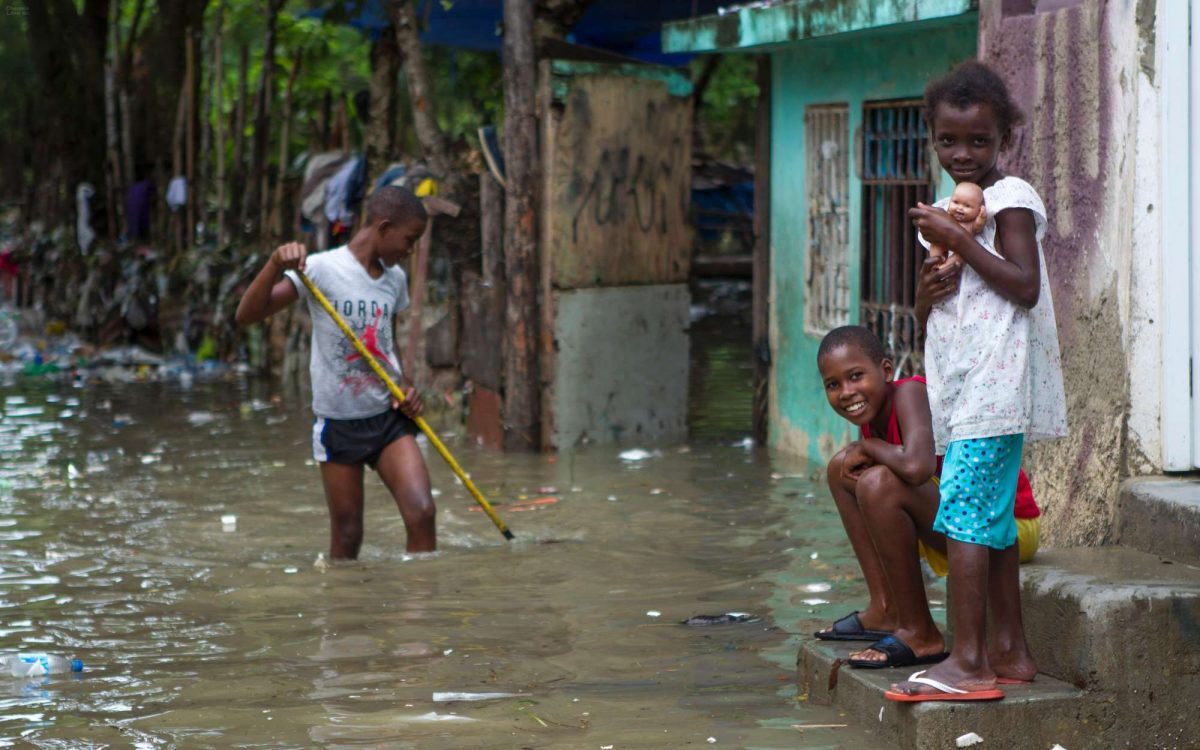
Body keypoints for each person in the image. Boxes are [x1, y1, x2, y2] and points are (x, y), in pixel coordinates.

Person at [886, 60, 1067, 703]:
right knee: (985, 521)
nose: (963, 155)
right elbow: (940, 311)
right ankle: (1011, 653)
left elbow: (1022, 287)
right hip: (963, 389)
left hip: (999, 385)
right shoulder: (942, 213)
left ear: (1004, 141)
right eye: (949, 141)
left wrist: (954, 241)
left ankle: (968, 664)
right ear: (932, 138)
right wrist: (926, 293)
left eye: (980, 141)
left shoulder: (1011, 198)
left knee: (963, 514)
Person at [814, 326, 1042, 675]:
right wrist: (864, 448)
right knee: (839, 470)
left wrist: (869, 448)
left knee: (877, 482)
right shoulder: (871, 418)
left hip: (1005, 527)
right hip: (953, 522)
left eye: (856, 376)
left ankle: (921, 633)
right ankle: (885, 608)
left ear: (887, 371)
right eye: (833, 385)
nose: (847, 392)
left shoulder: (910, 393)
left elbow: (916, 466)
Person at [235, 186, 436, 560]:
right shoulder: (321, 268)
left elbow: (384, 346)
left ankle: (422, 610)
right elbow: (247, 315)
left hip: (387, 419)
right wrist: (275, 263)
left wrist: (405, 387)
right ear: (384, 226)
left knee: (422, 513)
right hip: (340, 424)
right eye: (409, 240)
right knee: (347, 536)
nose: (410, 251)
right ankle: (345, 615)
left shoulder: (394, 280)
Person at [925, 181, 986, 269]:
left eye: (967, 206)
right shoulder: (948, 216)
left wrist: (981, 218)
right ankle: (936, 261)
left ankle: (946, 267)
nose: (959, 208)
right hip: (944, 241)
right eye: (956, 202)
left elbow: (978, 228)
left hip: (962, 246)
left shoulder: (971, 223)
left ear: (978, 210)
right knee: (935, 245)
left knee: (960, 257)